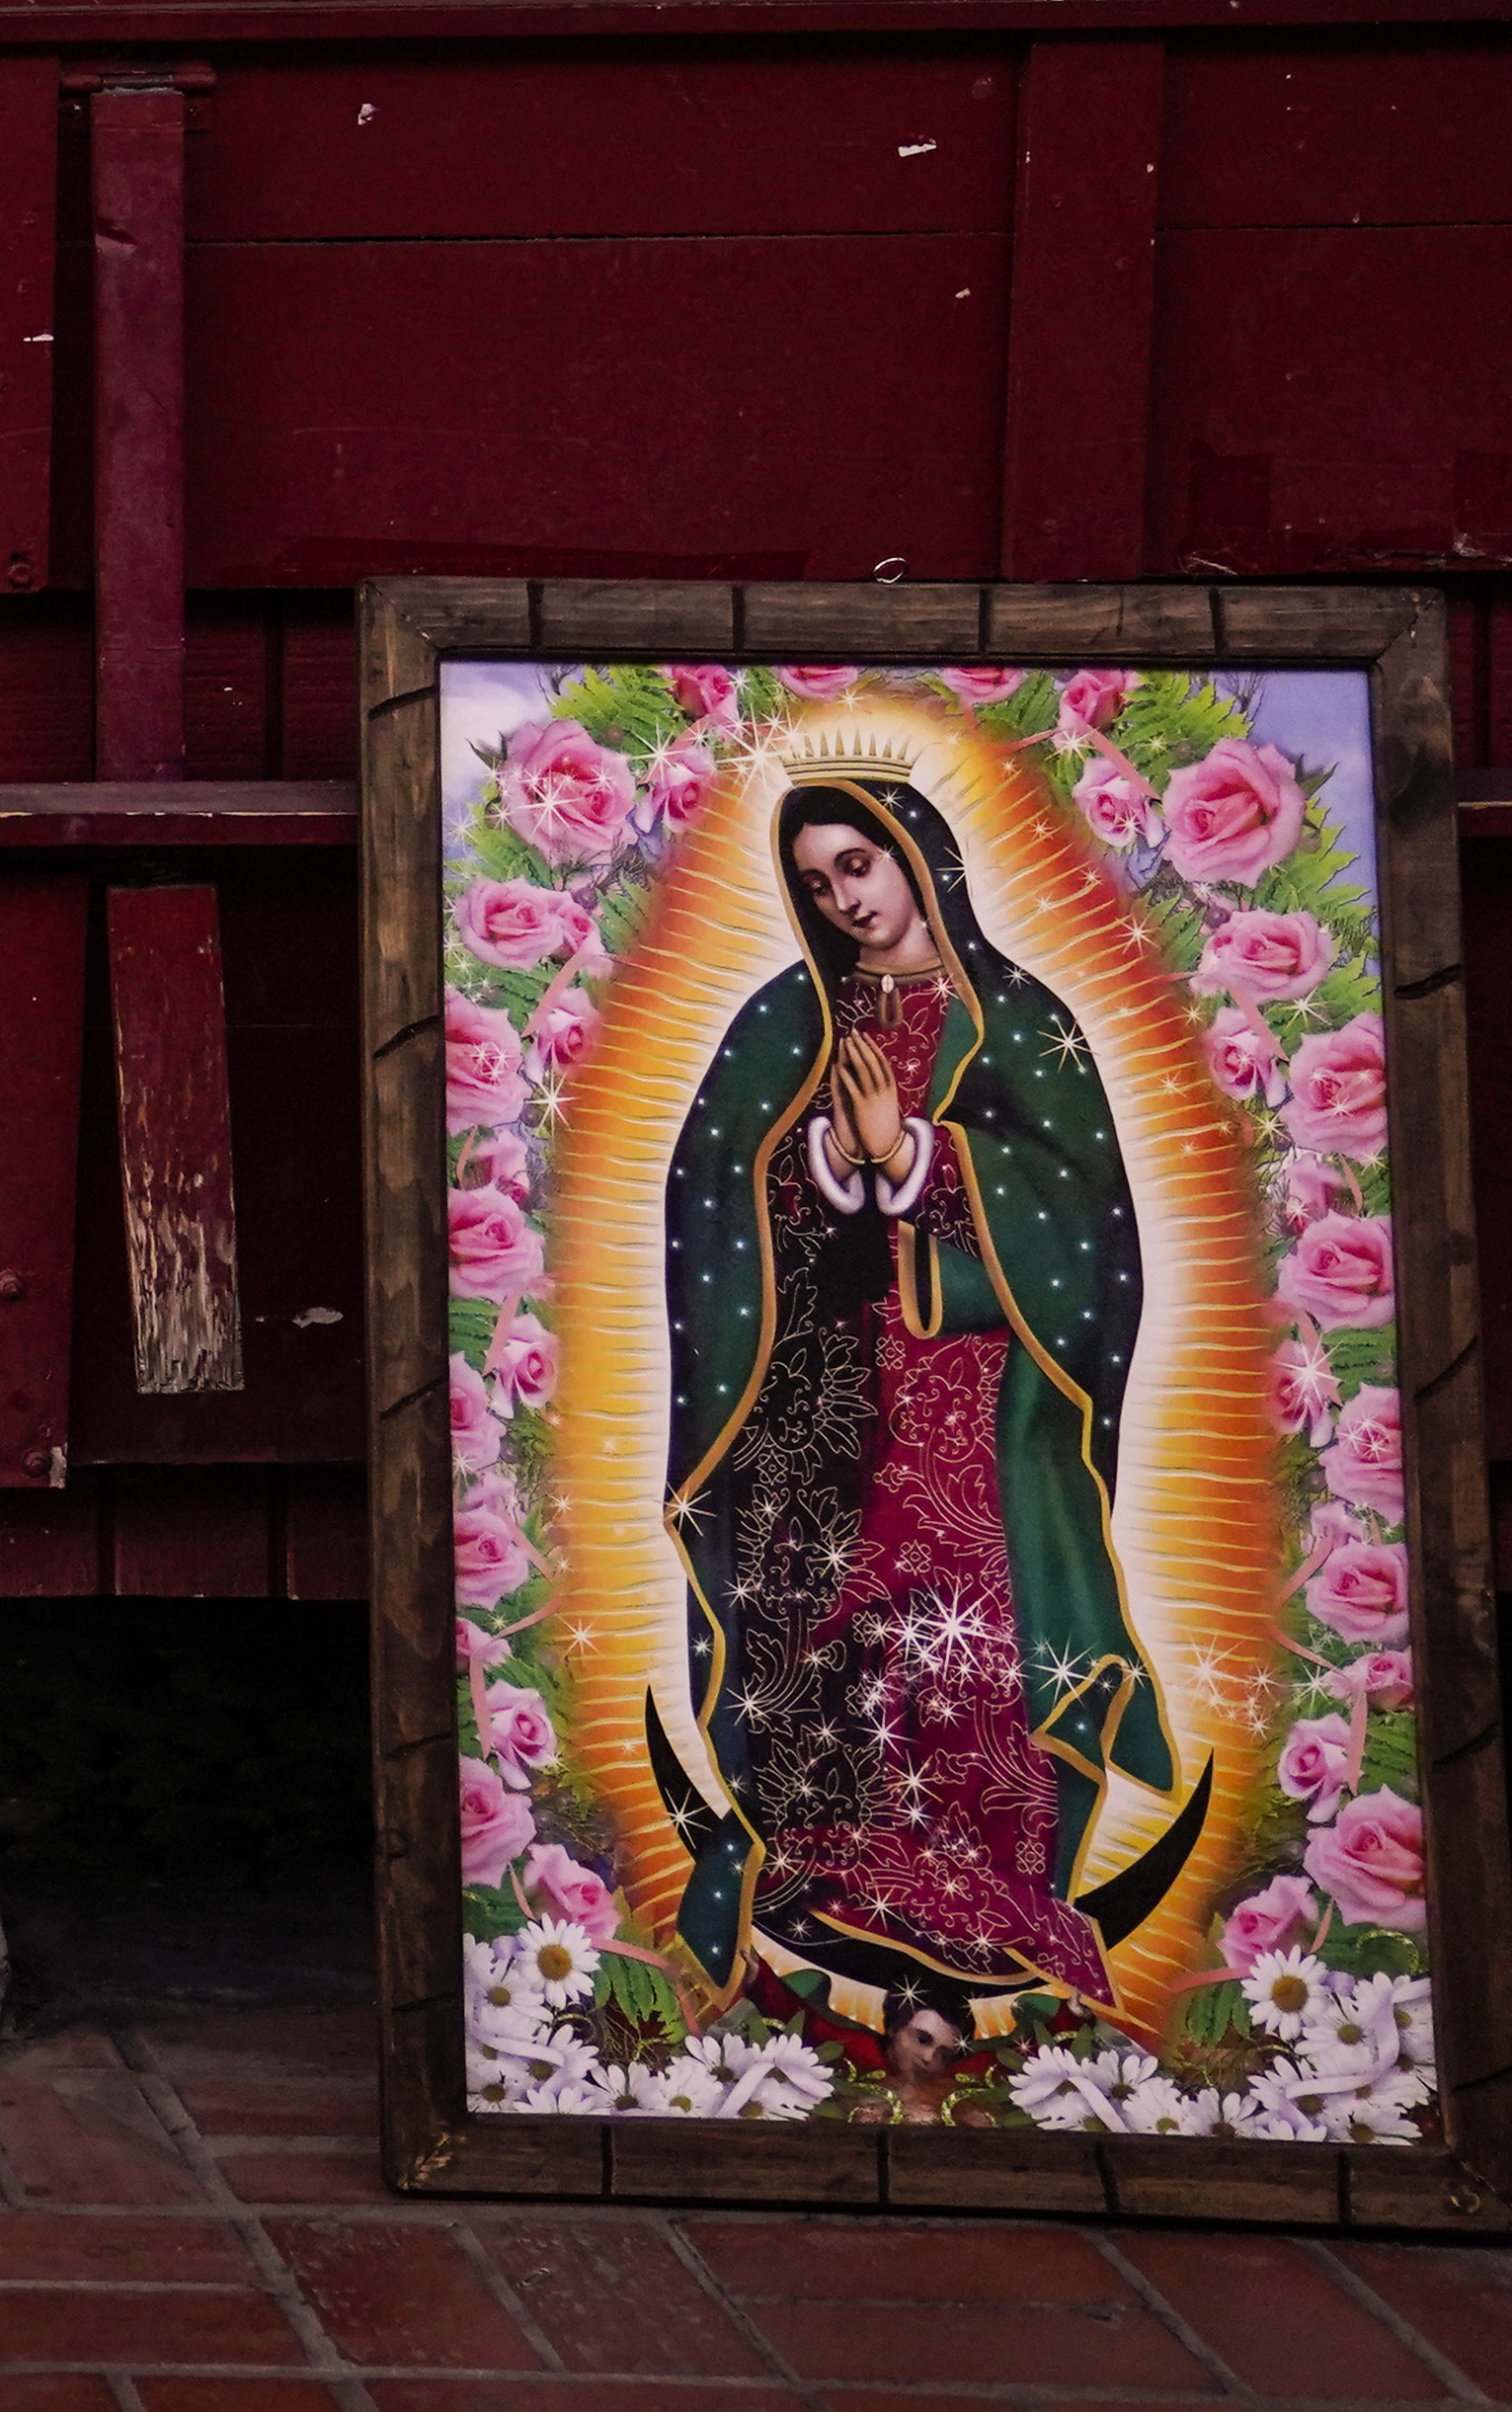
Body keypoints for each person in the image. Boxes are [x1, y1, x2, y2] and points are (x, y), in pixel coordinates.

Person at [653, 770, 1194, 2067]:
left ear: (921, 855)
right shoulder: (791, 1017)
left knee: (963, 1644)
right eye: (823, 879)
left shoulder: (1019, 1021)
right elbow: (721, 1189)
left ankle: (970, 1920)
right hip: (821, 1393)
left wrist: (921, 1157)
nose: (847, 898)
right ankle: (835, 1882)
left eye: (863, 864)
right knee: (831, 1633)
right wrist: (829, 1164)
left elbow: (1083, 1222)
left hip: (970, 1400)